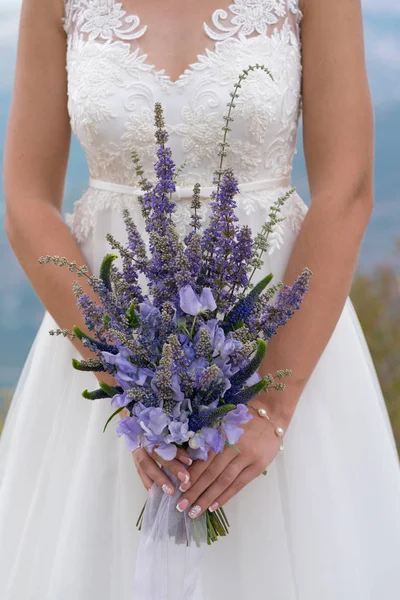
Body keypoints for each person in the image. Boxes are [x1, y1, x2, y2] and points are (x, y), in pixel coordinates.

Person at [1, 0, 400, 598]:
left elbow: (349, 187)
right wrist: (129, 379)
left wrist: (270, 405)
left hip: (284, 344)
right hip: (104, 357)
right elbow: (25, 197)